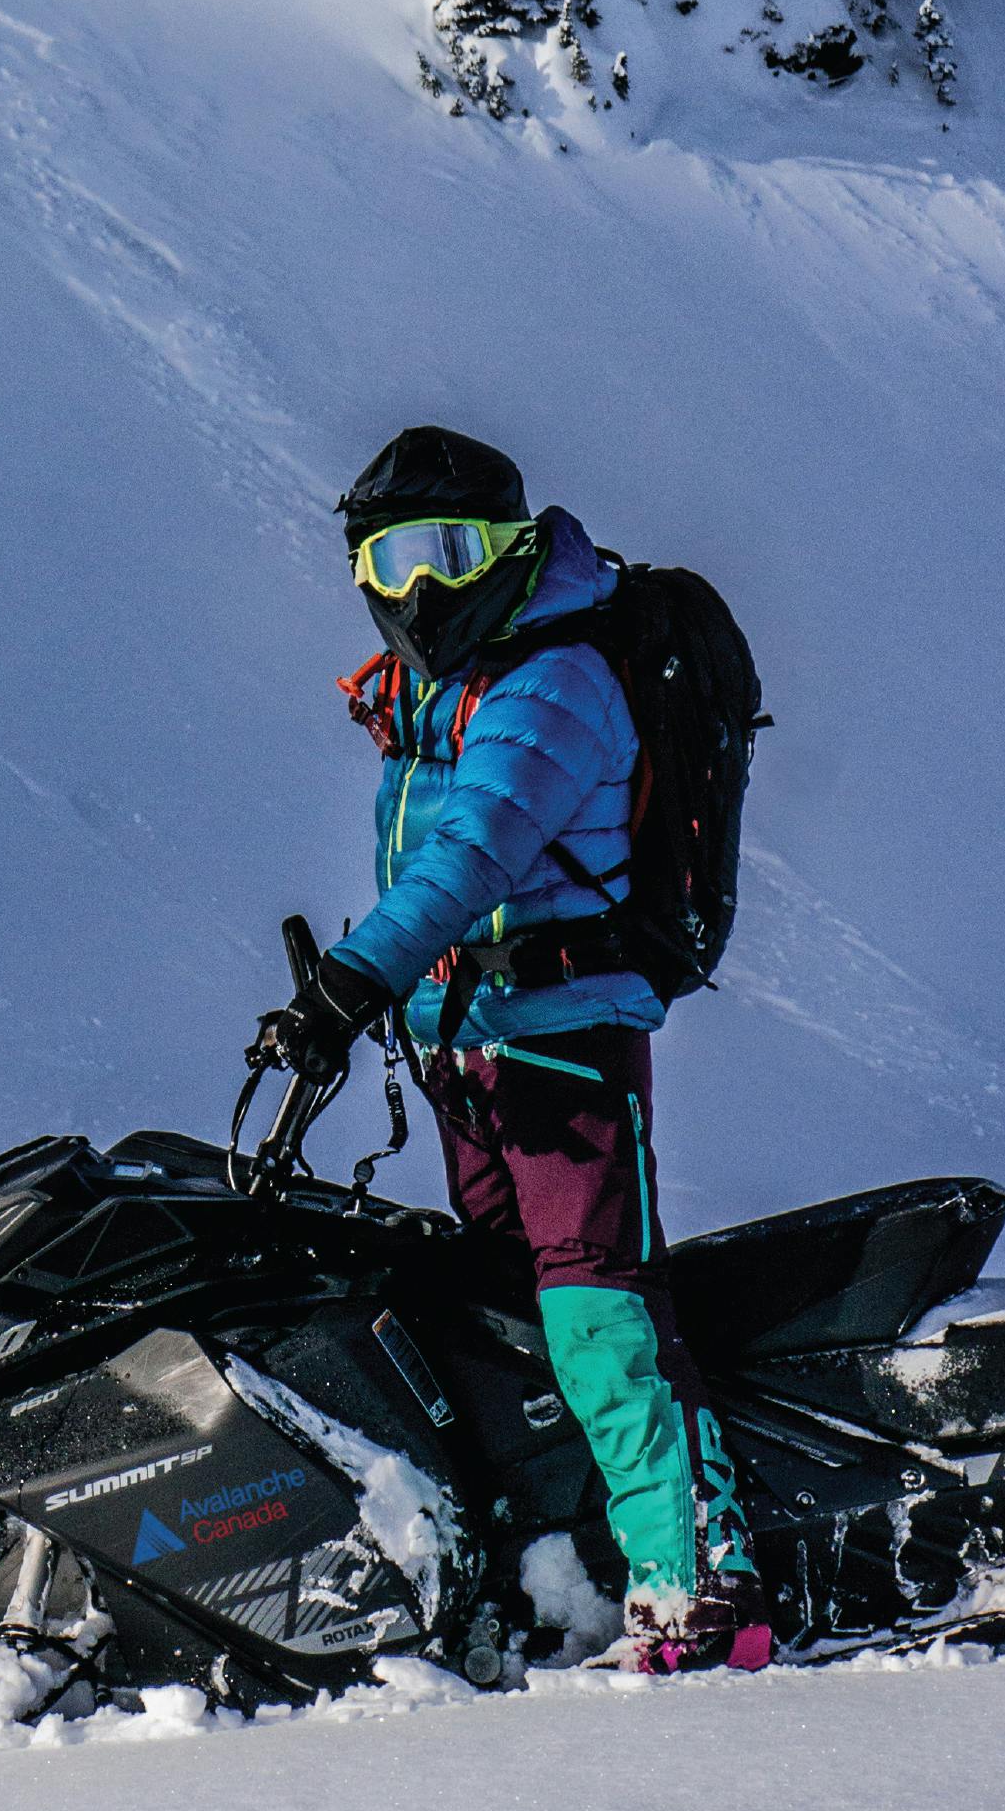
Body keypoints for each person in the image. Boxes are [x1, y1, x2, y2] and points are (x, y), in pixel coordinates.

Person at [250, 423, 771, 1676]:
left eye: (445, 552)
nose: (417, 589)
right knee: (501, 1322)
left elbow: (471, 851)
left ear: (510, 547)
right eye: (384, 565)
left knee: (597, 1308)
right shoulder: (450, 680)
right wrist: (382, 1001)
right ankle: (560, 1560)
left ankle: (699, 1585)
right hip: (467, 1045)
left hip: (559, 1038)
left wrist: (350, 978)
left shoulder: (553, 679)